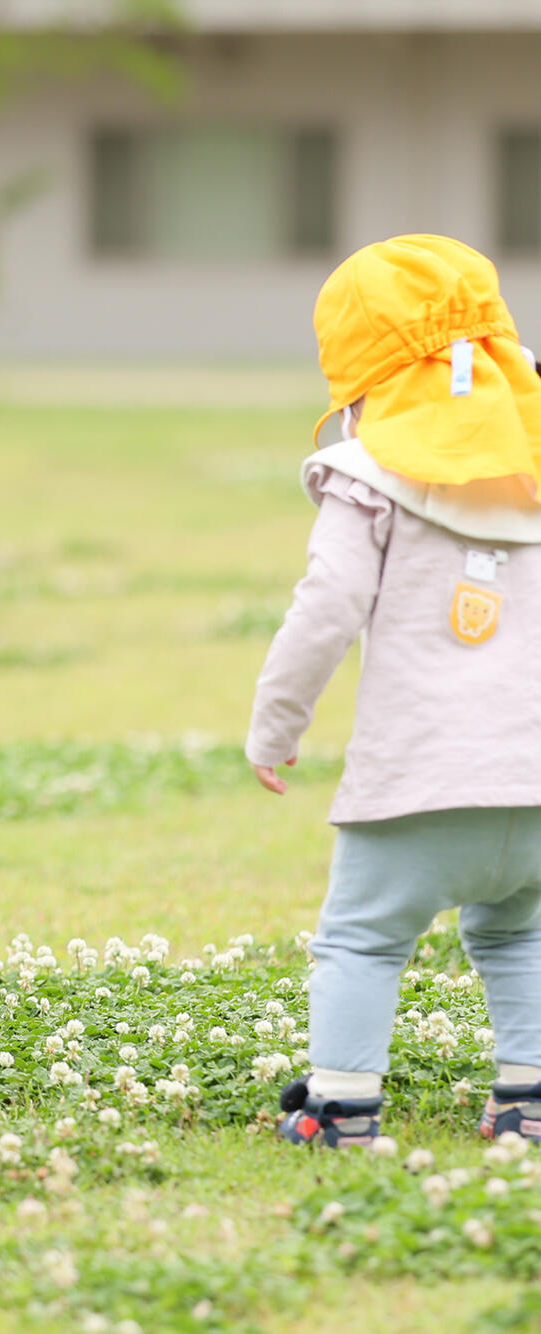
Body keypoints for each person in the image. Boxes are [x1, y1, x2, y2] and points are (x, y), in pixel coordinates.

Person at [246, 234, 541, 1146]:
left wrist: (274, 727)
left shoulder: (366, 476)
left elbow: (326, 608)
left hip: (415, 783)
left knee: (364, 940)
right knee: (519, 936)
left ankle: (342, 1105)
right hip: (532, 786)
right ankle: (527, 1101)